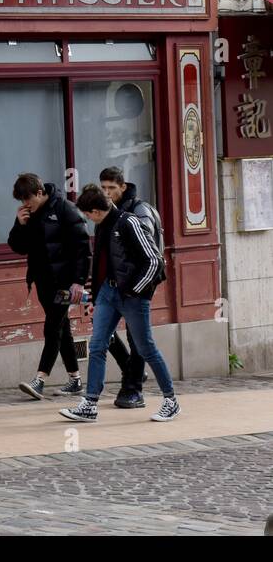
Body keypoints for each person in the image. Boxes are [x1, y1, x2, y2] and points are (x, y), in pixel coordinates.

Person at [61, 185, 178, 423]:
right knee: (97, 345)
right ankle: (90, 403)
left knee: (146, 349)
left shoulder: (129, 222)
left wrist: (135, 291)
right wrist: (97, 294)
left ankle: (171, 400)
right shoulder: (101, 224)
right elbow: (103, 262)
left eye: (87, 214)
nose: (86, 218)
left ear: (95, 210)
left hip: (132, 296)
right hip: (108, 293)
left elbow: (155, 261)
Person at [7, 174, 90, 400]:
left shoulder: (65, 209)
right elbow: (18, 247)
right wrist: (20, 225)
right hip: (42, 281)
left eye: (28, 199)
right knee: (62, 330)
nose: (25, 204)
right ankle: (75, 380)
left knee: (52, 328)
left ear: (40, 192)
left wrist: (79, 281)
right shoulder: (27, 215)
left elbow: (83, 249)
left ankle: (40, 379)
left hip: (64, 283)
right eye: (21, 201)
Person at [95, 167, 164, 408]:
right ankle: (131, 373)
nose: (106, 193)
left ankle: (133, 389)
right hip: (110, 286)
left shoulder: (139, 210)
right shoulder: (104, 212)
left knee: (138, 339)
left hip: (136, 284)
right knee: (103, 335)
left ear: (123, 187)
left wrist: (137, 288)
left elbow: (150, 254)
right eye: (103, 188)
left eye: (111, 188)